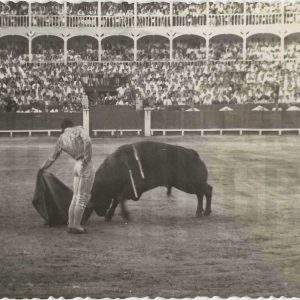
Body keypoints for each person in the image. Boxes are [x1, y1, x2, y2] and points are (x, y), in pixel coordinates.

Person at [40, 118, 94, 234]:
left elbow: (52, 158)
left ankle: (71, 224)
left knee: (75, 196)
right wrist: (87, 159)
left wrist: (42, 168)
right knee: (82, 197)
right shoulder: (78, 129)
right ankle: (76, 226)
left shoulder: (61, 138)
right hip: (85, 165)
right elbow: (88, 141)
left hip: (76, 167)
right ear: (71, 125)